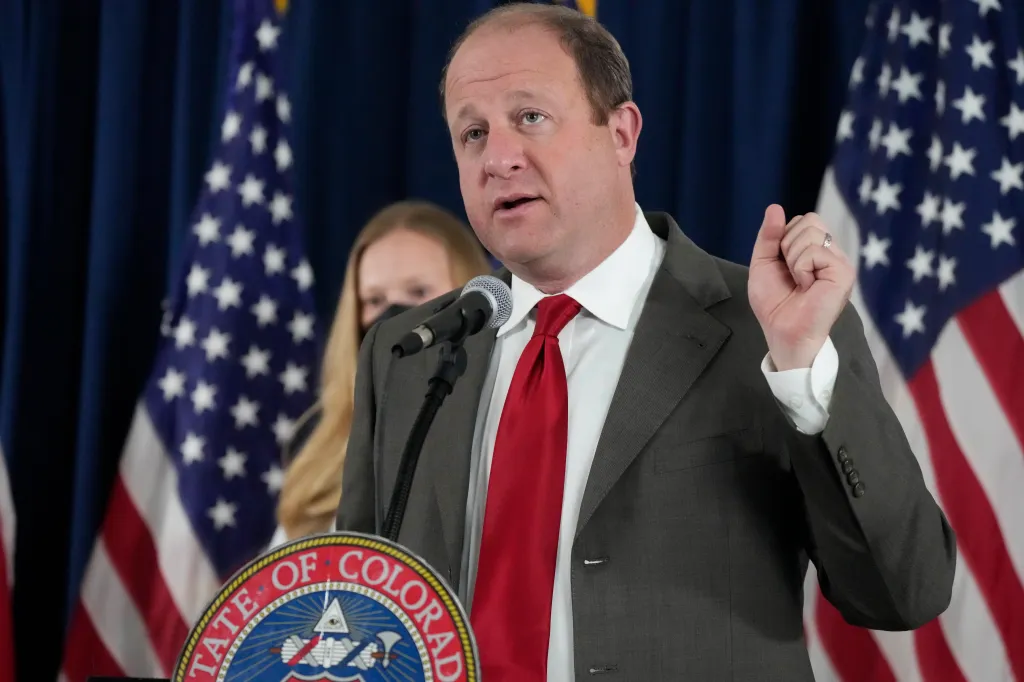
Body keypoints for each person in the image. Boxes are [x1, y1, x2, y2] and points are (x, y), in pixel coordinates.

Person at [336, 4, 956, 681]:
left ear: (622, 134)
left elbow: (904, 593)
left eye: (530, 117)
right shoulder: (410, 352)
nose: (499, 158)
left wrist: (802, 374)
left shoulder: (768, 325)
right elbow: (356, 607)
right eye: (473, 133)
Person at [272, 199, 491, 545]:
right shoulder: (323, 446)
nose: (393, 317)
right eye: (374, 300)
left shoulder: (500, 427)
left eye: (418, 292)